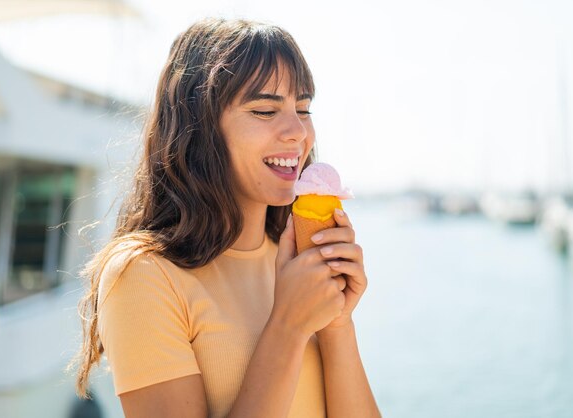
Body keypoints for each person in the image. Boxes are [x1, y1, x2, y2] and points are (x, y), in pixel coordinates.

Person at [68, 17, 381, 418]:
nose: (298, 132)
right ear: (199, 127)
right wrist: (288, 327)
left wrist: (338, 324)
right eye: (266, 110)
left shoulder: (297, 262)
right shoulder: (142, 274)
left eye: (303, 109)